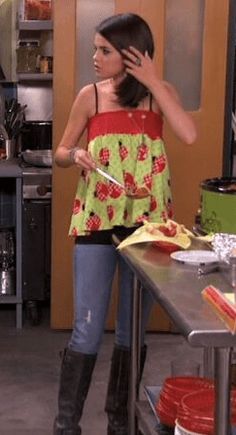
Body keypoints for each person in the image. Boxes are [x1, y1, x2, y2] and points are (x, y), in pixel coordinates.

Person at [53, 12, 197, 435]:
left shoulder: (158, 95)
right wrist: (74, 155)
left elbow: (188, 134)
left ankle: (122, 424)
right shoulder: (90, 97)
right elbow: (62, 150)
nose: (95, 57)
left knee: (131, 334)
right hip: (97, 222)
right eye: (95, 48)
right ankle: (66, 426)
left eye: (105, 51)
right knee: (87, 328)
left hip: (148, 230)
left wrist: (153, 81)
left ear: (133, 56)